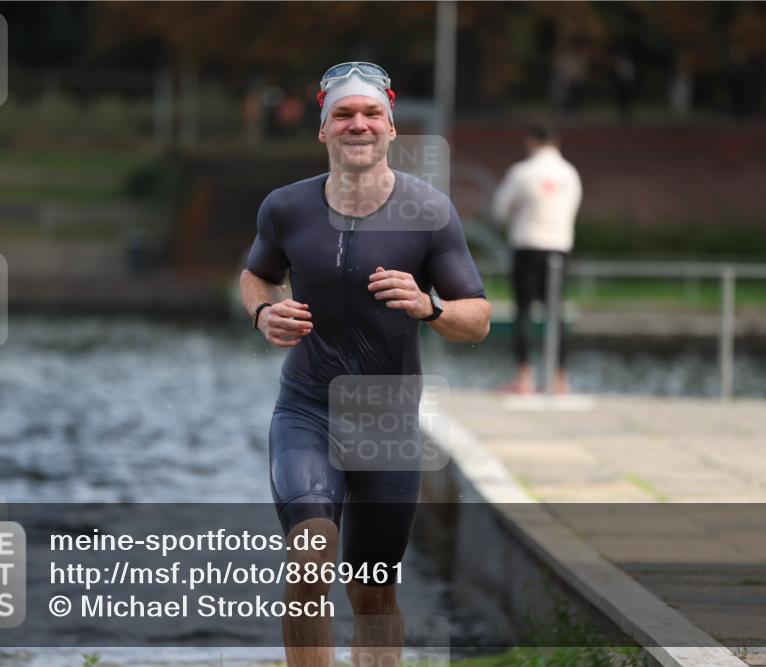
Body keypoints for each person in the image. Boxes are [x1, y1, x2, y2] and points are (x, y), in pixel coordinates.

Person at [240, 62, 491, 667]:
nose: (359, 124)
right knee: (310, 550)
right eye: (343, 115)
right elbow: (256, 276)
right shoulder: (286, 208)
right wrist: (262, 315)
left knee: (373, 592)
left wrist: (429, 307)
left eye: (371, 113)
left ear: (391, 127)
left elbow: (477, 319)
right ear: (322, 130)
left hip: (387, 422)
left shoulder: (429, 212)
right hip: (307, 409)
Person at [492, 123, 582, 395]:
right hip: (559, 247)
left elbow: (499, 210)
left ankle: (524, 378)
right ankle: (560, 378)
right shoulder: (570, 174)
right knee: (555, 313)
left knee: (523, 312)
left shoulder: (522, 172)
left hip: (528, 246)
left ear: (531, 142)